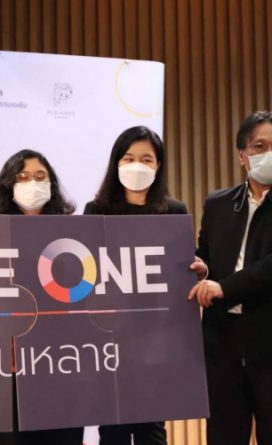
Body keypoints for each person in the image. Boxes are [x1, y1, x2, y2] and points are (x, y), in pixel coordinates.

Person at [188, 111, 272, 445]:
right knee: (222, 438)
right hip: (222, 343)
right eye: (259, 146)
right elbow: (206, 254)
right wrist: (203, 269)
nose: (270, 153)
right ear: (242, 155)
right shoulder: (217, 203)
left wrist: (223, 288)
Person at [84, 126, 186, 445]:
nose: (137, 165)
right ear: (116, 163)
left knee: (151, 429)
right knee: (111, 429)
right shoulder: (95, 211)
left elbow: (180, 269)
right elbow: (87, 273)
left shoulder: (174, 211)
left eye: (146, 159)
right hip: (109, 337)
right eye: (129, 158)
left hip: (155, 337)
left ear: (158, 165)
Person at [0, 149, 82, 445]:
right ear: (9, 186)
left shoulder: (74, 234)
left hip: (62, 364)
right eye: (23, 177)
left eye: (40, 177)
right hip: (10, 370)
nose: (33, 184)